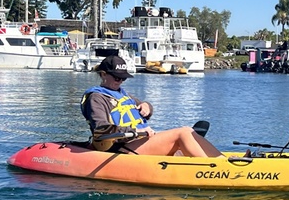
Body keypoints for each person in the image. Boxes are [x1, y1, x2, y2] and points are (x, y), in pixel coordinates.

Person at [81, 55, 223, 157]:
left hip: (137, 142)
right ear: (103, 74)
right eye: (117, 77)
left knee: (189, 131)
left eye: (123, 78)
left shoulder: (121, 94)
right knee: (183, 133)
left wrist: (147, 106)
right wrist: (134, 130)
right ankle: (213, 169)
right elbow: (102, 129)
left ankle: (221, 161)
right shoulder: (96, 98)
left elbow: (143, 107)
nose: (120, 81)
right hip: (120, 148)